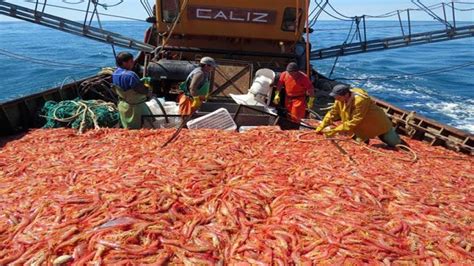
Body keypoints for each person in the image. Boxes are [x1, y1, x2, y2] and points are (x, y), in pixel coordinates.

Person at [316, 84, 401, 147]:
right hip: (360, 128)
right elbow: (332, 113)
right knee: (359, 145)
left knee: (395, 144)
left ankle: (395, 139)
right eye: (335, 97)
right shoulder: (339, 100)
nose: (336, 99)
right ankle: (365, 139)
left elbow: (355, 120)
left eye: (338, 97)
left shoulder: (360, 101)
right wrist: (323, 124)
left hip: (377, 124)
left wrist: (335, 130)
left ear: (346, 95)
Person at [112, 52, 151, 129]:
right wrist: (147, 84)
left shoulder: (114, 73)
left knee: (128, 128)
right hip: (135, 107)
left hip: (123, 106)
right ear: (124, 63)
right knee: (144, 127)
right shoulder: (131, 75)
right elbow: (142, 91)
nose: (133, 63)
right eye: (131, 61)